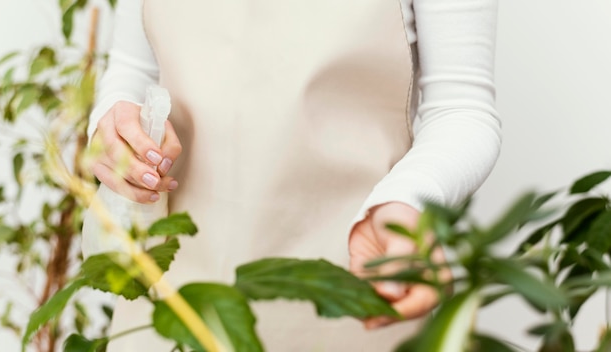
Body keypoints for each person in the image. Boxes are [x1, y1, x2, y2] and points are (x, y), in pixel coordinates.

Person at [86, 0, 501, 350]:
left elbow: (461, 108)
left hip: (348, 278)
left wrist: (407, 200)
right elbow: (133, 69)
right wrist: (113, 129)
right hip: (170, 284)